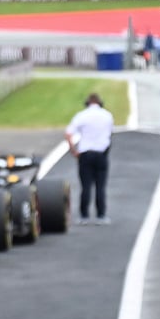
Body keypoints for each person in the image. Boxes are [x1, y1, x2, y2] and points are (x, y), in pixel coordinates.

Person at [65, 93, 115, 225]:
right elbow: (109, 135)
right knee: (100, 186)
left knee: (86, 186)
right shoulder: (107, 115)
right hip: (101, 153)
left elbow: (68, 133)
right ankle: (101, 215)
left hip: (85, 154)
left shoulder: (82, 115)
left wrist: (73, 151)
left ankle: (84, 216)